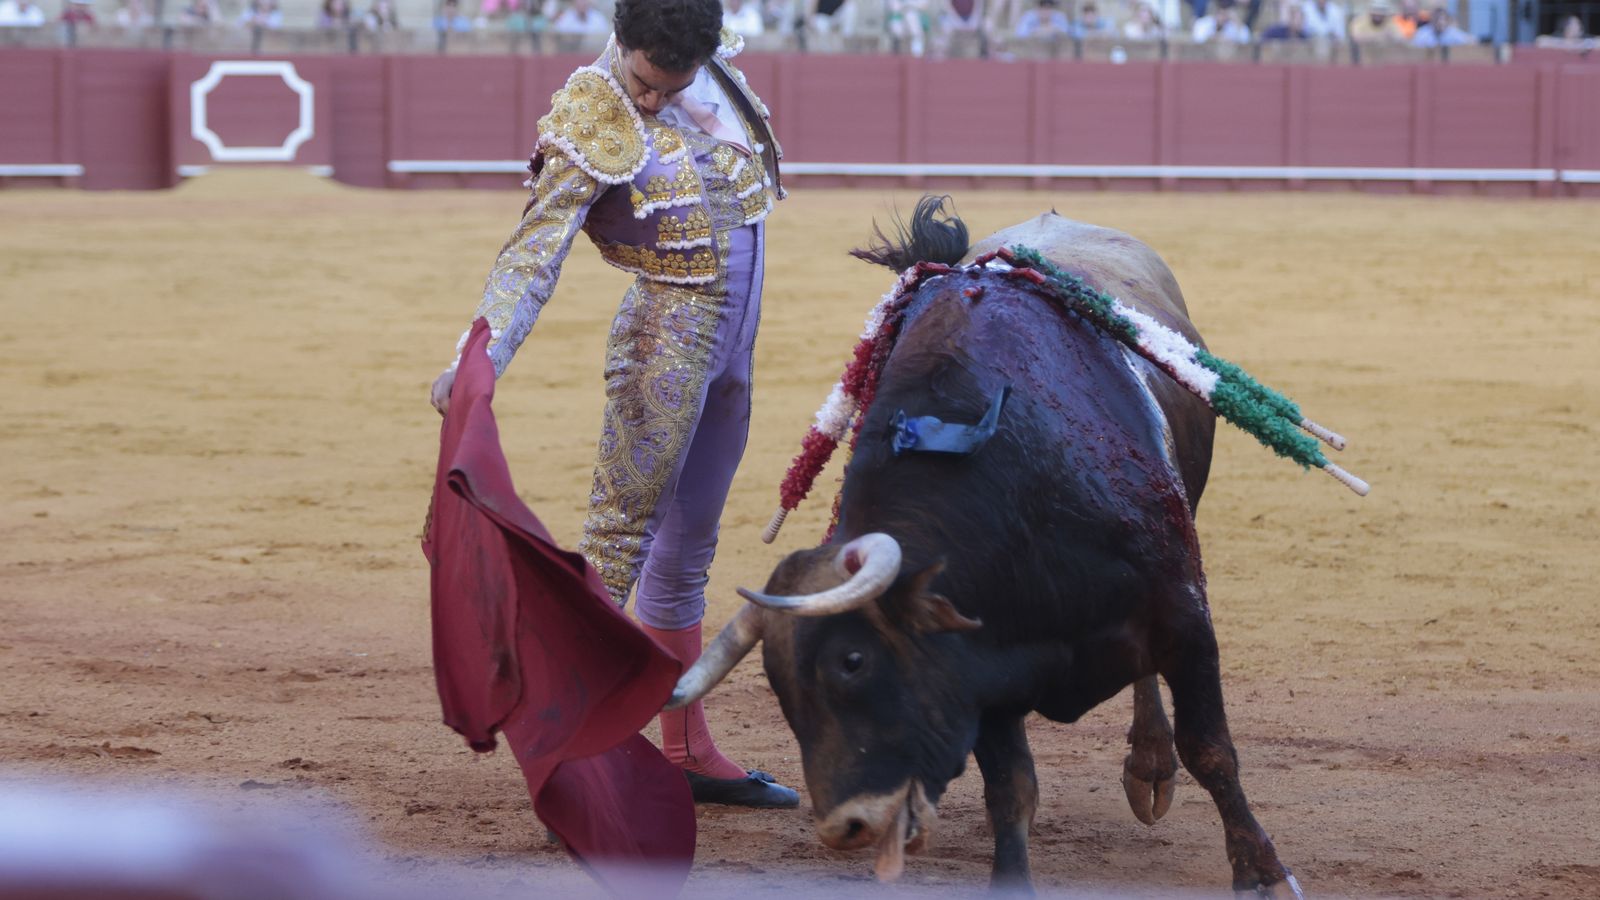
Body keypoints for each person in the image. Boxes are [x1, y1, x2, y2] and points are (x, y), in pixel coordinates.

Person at [429, 0, 797, 810]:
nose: (654, 101)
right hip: (663, 342)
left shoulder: (713, 74)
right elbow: (536, 248)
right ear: (620, 44)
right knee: (618, 544)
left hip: (735, 349)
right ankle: (569, 761)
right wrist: (479, 353)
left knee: (688, 549)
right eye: (644, 82)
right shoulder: (593, 109)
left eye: (673, 85)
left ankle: (687, 749)